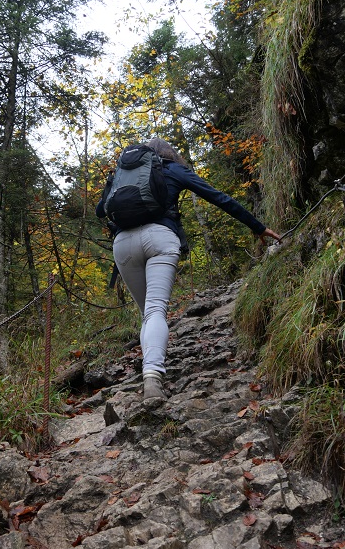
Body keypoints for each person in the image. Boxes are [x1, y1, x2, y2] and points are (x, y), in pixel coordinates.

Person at [96, 138, 281, 401]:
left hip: (123, 244)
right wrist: (258, 227)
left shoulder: (122, 175)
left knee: (147, 315)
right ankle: (152, 377)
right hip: (160, 237)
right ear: (168, 153)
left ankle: (150, 372)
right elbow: (219, 198)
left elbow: (99, 212)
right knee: (156, 310)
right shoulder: (173, 169)